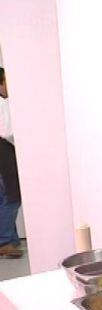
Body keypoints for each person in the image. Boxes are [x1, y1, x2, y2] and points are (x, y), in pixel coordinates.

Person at [0, 67, 22, 259]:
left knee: (3, 197)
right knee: (13, 197)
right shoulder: (1, 103)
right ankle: (4, 241)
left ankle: (11, 239)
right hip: (4, 152)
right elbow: (7, 132)